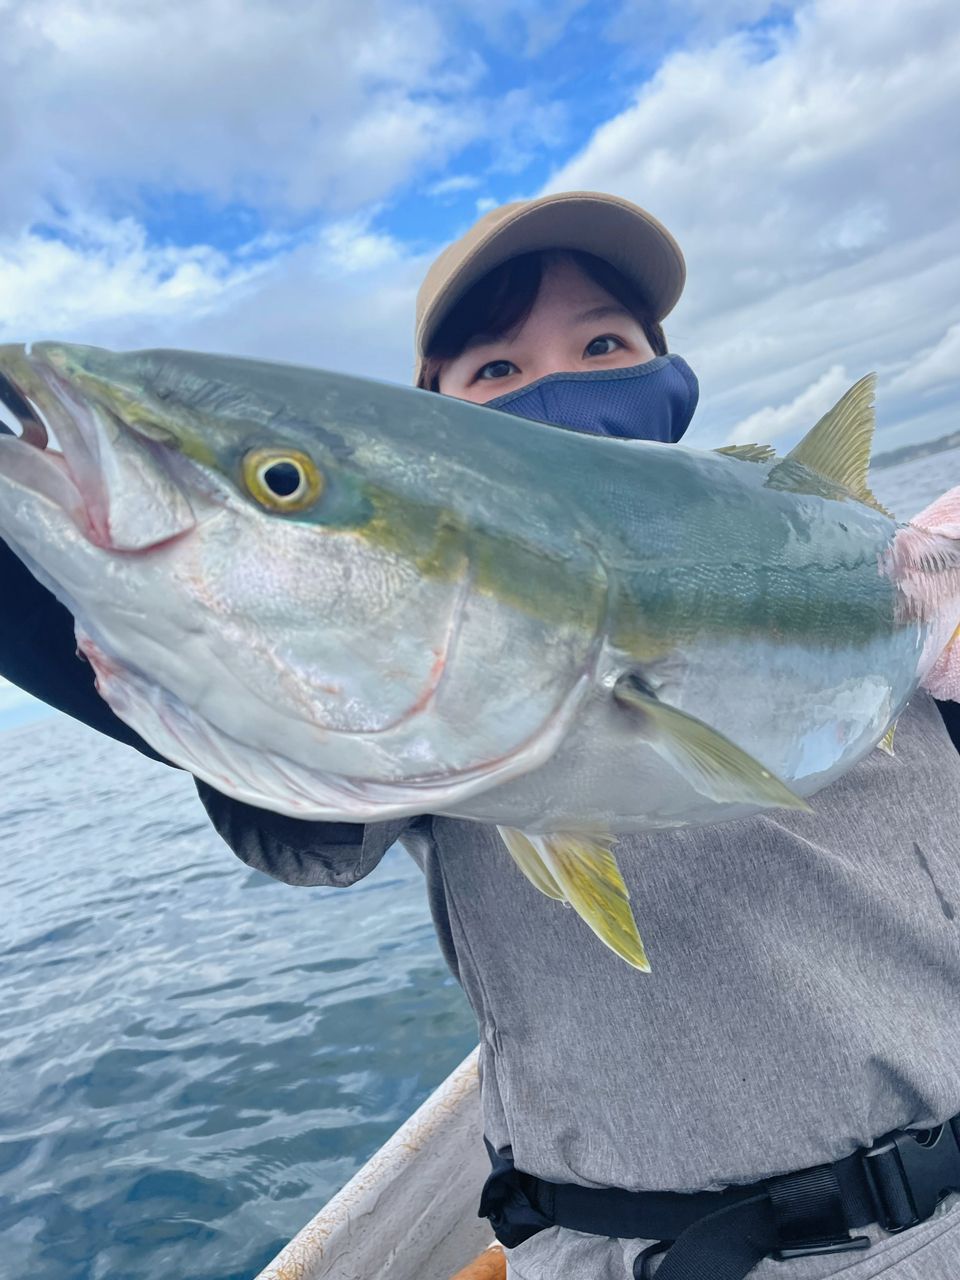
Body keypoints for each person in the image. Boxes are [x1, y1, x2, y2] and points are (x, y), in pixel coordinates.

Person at [3, 191, 960, 1280]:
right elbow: (267, 684)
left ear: (668, 374)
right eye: (494, 371)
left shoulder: (883, 577)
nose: (556, 385)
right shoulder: (388, 739)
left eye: (604, 343)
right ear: (435, 430)